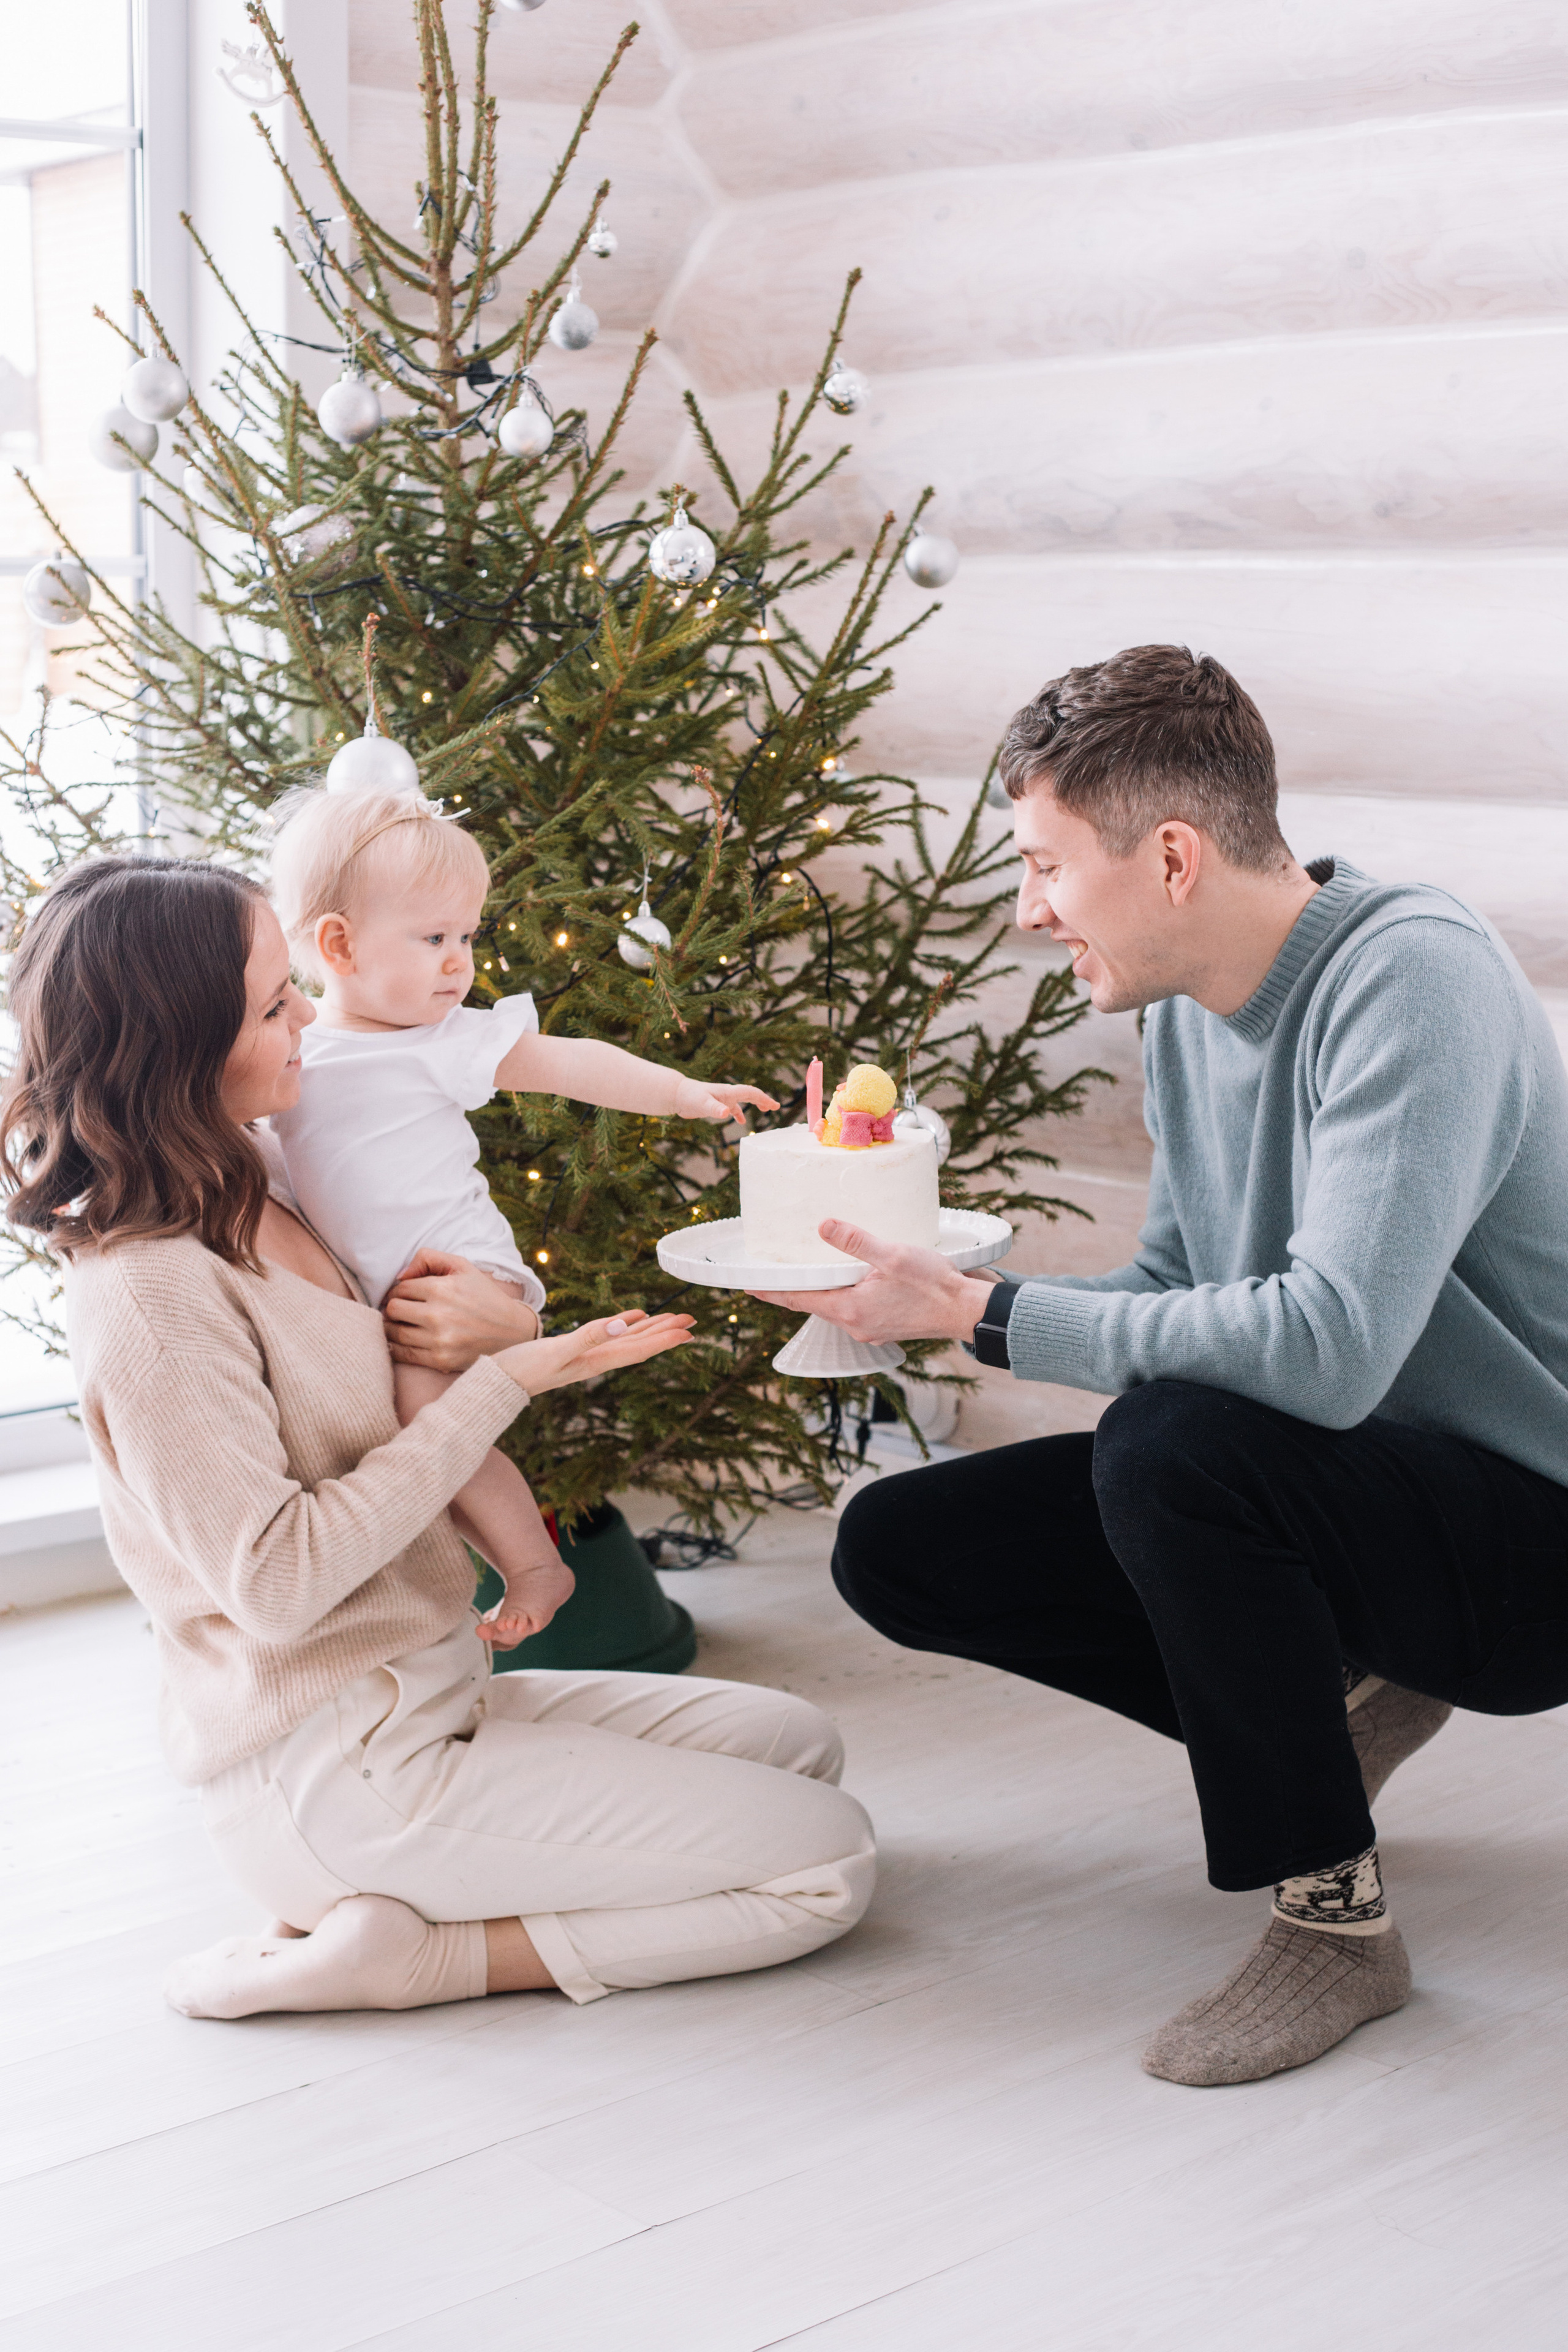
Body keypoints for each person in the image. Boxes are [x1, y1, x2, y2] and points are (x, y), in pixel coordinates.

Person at [756, 642, 1568, 2087]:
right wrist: (916, 1287)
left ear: (1173, 856)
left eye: (1045, 867)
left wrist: (987, 1313)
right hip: (1374, 1493)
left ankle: (1332, 1928)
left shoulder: (1411, 978)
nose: (1026, 910)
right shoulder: (1191, 1016)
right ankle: (1329, 1707)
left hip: (1537, 1534)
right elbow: (1180, 1297)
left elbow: (1318, 1351)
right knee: (900, 1547)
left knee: (1172, 1449)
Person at [2, 856, 875, 2021]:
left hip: (435, 1692)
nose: (312, 1011)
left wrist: (507, 1324)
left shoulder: (260, 1174)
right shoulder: (150, 1294)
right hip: (333, 1762)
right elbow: (276, 1580)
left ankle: (427, 1885)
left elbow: (425, 1341)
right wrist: (506, 1379)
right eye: (272, 1006)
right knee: (828, 1861)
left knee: (798, 1742)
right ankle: (412, 1955)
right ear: (178, 1049)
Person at [268, 786, 777, 1648]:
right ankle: (489, 1570)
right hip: (382, 1295)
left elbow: (573, 1064)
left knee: (430, 1423)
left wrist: (682, 1093)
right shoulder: (294, 1052)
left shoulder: (441, 1038)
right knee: (404, 1433)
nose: (461, 961)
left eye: (467, 936)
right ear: (338, 945)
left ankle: (534, 1565)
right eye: (435, 939)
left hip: (463, 1271)